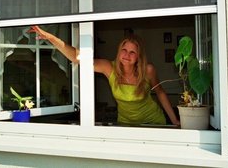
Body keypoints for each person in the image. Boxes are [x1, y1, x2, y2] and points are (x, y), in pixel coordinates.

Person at [28, 25, 180, 126]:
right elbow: (77, 57)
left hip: (152, 121)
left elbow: (160, 92)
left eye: (132, 52)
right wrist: (50, 37)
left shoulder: (148, 70)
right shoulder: (109, 68)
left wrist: (175, 122)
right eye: (124, 50)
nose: (127, 55)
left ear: (139, 56)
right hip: (125, 123)